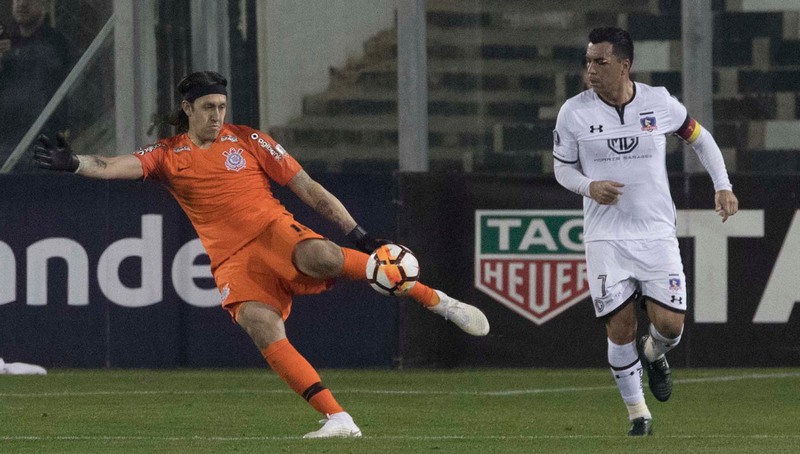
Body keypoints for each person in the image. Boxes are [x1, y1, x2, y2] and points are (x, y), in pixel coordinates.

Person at [33, 70, 490, 439]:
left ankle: (437, 300)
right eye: (208, 107)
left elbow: (307, 188)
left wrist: (360, 234)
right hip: (230, 258)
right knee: (261, 327)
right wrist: (75, 164)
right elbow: (113, 166)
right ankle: (338, 419)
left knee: (322, 257)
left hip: (272, 230)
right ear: (187, 109)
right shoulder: (167, 155)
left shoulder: (250, 141)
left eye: (222, 107)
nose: (217, 115)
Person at [552, 27, 738, 436]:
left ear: (625, 65)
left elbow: (701, 139)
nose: (591, 70)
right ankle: (639, 415)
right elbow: (561, 167)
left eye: (601, 62)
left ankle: (654, 354)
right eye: (587, 62)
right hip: (606, 238)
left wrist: (722, 185)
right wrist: (589, 186)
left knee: (671, 326)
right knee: (620, 327)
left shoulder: (659, 103)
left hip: (655, 233)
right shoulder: (575, 112)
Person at [0, 0, 77, 169]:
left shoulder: (57, 44)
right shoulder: (7, 44)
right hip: (6, 141)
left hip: (43, 140)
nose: (21, 4)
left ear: (45, 4)